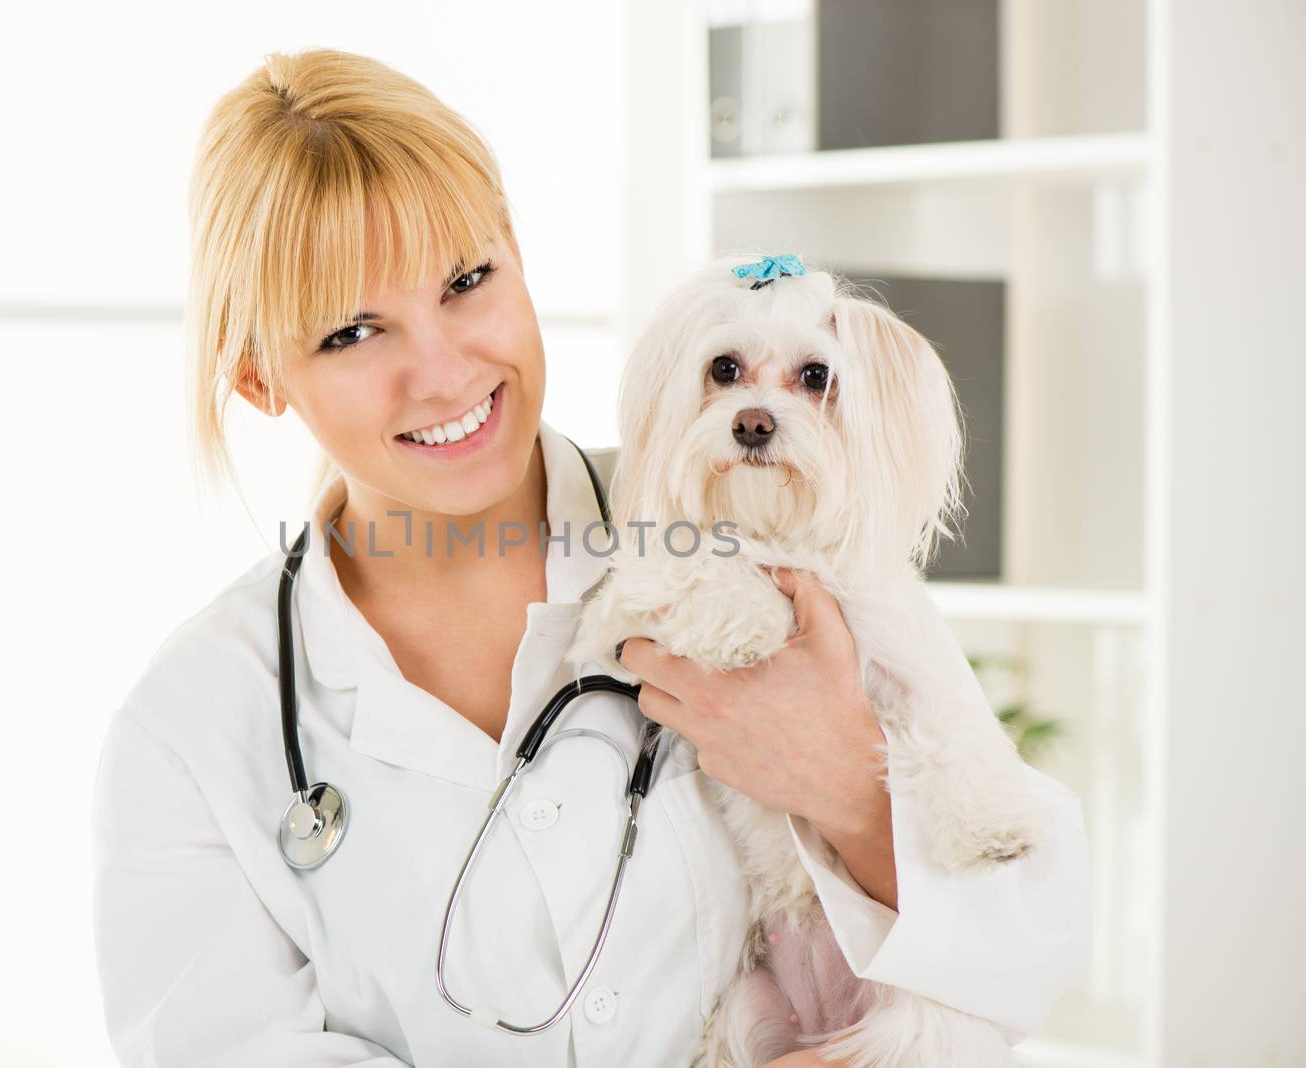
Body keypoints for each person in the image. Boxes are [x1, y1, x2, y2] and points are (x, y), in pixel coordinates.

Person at [90, 48, 1090, 1068]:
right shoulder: (193, 733)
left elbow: (1036, 938)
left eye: (467, 281)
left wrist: (852, 790)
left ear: (518, 254)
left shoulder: (777, 543)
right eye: (353, 333)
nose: (442, 373)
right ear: (260, 377)